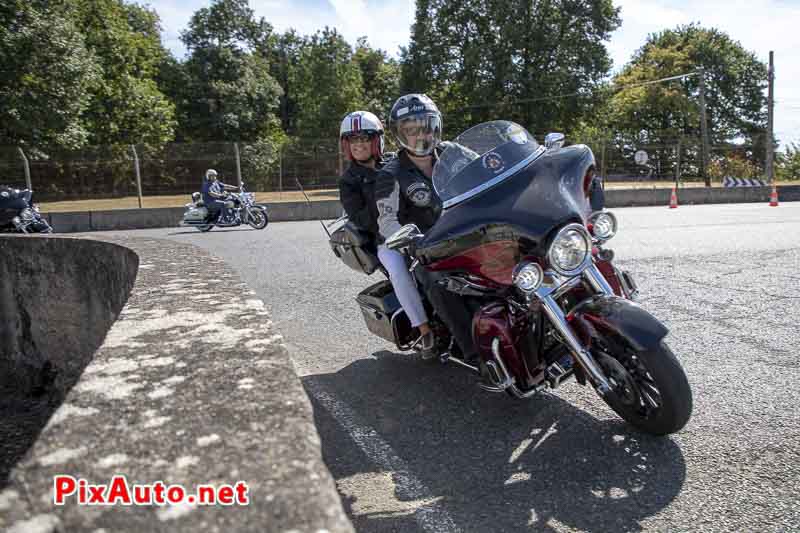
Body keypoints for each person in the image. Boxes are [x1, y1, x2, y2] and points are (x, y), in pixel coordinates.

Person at [374, 94, 479, 364]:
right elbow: (386, 220)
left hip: (470, 228)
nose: (420, 134)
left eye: (425, 125)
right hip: (430, 245)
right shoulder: (391, 172)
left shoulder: (454, 153)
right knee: (435, 279)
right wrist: (408, 239)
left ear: (436, 126)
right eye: (410, 129)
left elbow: (489, 168)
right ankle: (475, 352)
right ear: (400, 134)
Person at [338, 110, 437, 357]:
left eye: (363, 138)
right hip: (386, 239)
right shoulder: (349, 180)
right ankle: (424, 329)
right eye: (353, 140)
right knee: (397, 269)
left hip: (423, 225)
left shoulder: (397, 161)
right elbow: (360, 218)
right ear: (347, 145)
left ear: (377, 141)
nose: (358, 145)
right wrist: (384, 192)